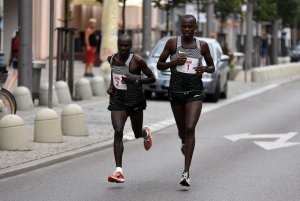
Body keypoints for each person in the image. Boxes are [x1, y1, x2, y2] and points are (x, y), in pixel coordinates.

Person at [157, 14, 215, 187]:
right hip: (176, 92)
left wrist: (204, 68)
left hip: (195, 92)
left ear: (195, 28)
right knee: (183, 131)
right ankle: (183, 141)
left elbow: (212, 67)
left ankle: (186, 173)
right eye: (184, 27)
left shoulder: (202, 46)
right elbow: (159, 64)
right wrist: (173, 62)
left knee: (190, 128)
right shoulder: (173, 43)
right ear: (180, 27)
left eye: (190, 27)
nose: (187, 30)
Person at [107, 33, 156, 183]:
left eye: (126, 45)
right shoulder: (111, 59)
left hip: (135, 101)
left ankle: (145, 133)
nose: (123, 48)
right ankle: (118, 171)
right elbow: (114, 74)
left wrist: (134, 80)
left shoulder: (137, 60)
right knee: (118, 131)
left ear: (131, 46)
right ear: (117, 44)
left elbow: (152, 78)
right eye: (120, 45)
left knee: (136, 133)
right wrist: (111, 86)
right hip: (118, 100)